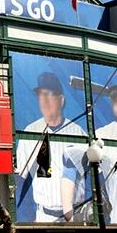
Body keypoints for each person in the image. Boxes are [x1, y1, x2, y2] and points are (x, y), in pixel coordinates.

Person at [15, 72, 87, 222]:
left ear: (61, 100)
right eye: (41, 95)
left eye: (50, 95)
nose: (45, 101)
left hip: (77, 215)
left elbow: (91, 176)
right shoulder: (30, 132)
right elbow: (22, 180)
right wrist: (26, 220)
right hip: (44, 216)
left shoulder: (78, 133)